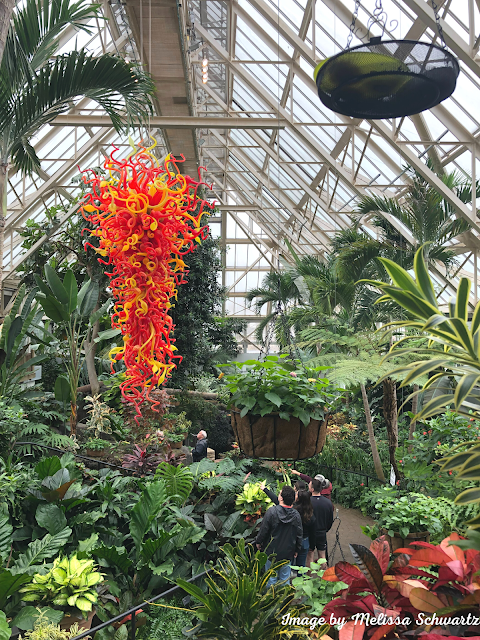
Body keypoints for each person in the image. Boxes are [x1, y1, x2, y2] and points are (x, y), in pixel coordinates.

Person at [259, 481, 315, 568]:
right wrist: (298, 548)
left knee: (272, 575)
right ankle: (301, 579)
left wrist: (259, 542)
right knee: (296, 569)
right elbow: (302, 532)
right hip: (295, 547)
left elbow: (264, 529)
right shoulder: (302, 513)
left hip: (280, 547)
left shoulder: (276, 512)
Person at [255, 485, 302, 586]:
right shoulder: (296, 515)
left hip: (271, 552)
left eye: (279, 493)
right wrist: (297, 550)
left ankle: (271, 600)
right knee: (284, 579)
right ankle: (283, 600)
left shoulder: (272, 512)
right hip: (288, 553)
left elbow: (264, 530)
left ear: (281, 498)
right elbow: (299, 534)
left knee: (270, 579)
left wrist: (258, 542)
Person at [307, 477, 334, 565]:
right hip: (322, 532)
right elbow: (330, 519)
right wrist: (325, 529)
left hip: (310, 533)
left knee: (310, 555)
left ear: (312, 489)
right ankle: (324, 577)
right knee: (322, 556)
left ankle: (308, 577)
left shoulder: (308, 502)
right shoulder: (328, 502)